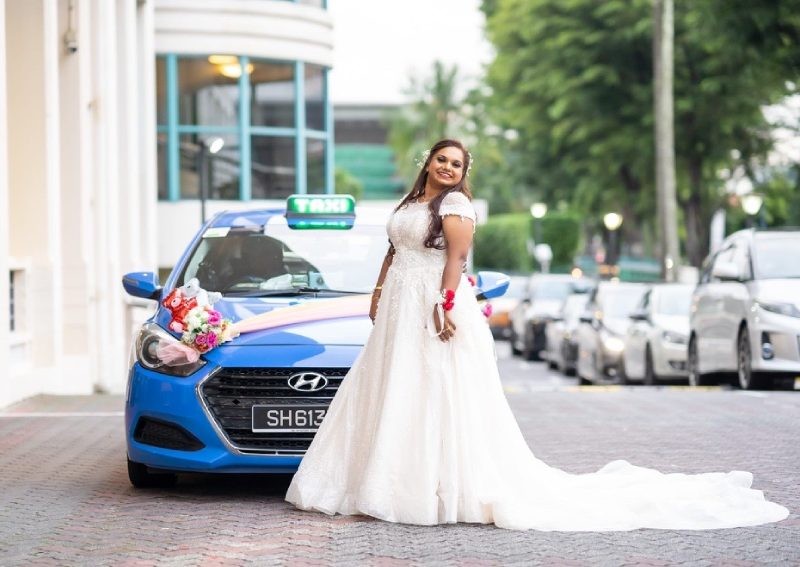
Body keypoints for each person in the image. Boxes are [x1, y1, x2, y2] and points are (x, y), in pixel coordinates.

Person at [285, 139, 789, 531]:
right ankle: (379, 478)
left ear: (464, 174)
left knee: (433, 391)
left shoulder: (457, 206)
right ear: (428, 162)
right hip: (396, 304)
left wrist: (442, 307)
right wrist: (376, 293)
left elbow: (456, 261)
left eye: (456, 165)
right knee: (393, 388)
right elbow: (394, 252)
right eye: (442, 160)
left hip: (432, 303)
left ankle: (434, 489)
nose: (447, 169)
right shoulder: (412, 201)